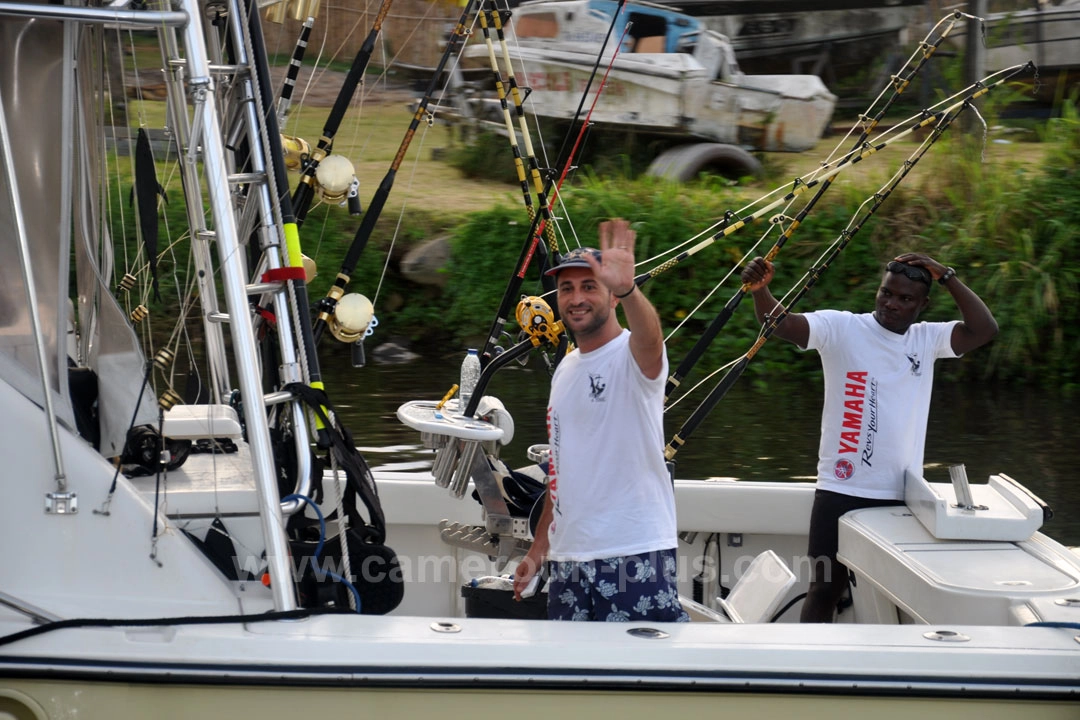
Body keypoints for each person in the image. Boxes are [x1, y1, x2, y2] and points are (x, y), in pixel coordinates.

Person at [740, 253, 998, 623]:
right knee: (824, 588)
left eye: (905, 299)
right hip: (839, 490)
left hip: (899, 496)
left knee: (895, 591)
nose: (892, 303)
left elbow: (984, 330)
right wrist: (761, 292)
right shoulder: (843, 328)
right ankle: (808, 671)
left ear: (922, 304)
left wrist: (947, 277)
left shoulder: (927, 339)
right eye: (886, 293)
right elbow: (781, 325)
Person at [512, 219, 688, 622]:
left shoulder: (632, 355)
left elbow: (651, 341)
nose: (577, 298)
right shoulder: (566, 369)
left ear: (611, 297)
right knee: (574, 680)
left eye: (590, 286)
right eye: (567, 288)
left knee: (643, 678)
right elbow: (560, 473)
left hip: (631, 553)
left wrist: (629, 290)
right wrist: (539, 551)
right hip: (569, 560)